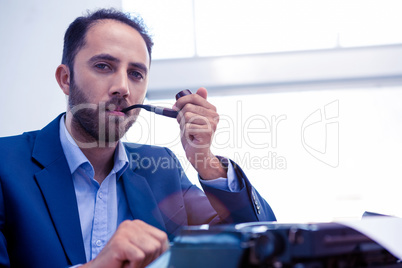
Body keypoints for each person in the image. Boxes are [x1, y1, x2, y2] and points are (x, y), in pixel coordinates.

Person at [0, 8, 276, 268]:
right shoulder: (5, 166)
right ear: (65, 78)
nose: (122, 87)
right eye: (103, 66)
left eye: (136, 74)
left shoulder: (160, 169)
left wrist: (205, 159)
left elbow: (259, 247)